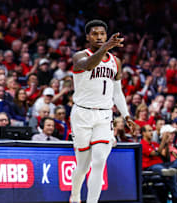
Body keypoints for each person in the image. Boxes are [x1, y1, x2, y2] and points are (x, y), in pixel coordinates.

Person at [69, 20, 135, 203]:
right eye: (95, 34)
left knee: (99, 161)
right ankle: (75, 195)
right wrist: (105, 47)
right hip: (82, 114)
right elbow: (90, 65)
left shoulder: (116, 62)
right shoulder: (79, 56)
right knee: (82, 166)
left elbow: (117, 91)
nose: (99, 37)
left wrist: (126, 115)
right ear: (87, 37)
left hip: (105, 115)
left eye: (102, 34)